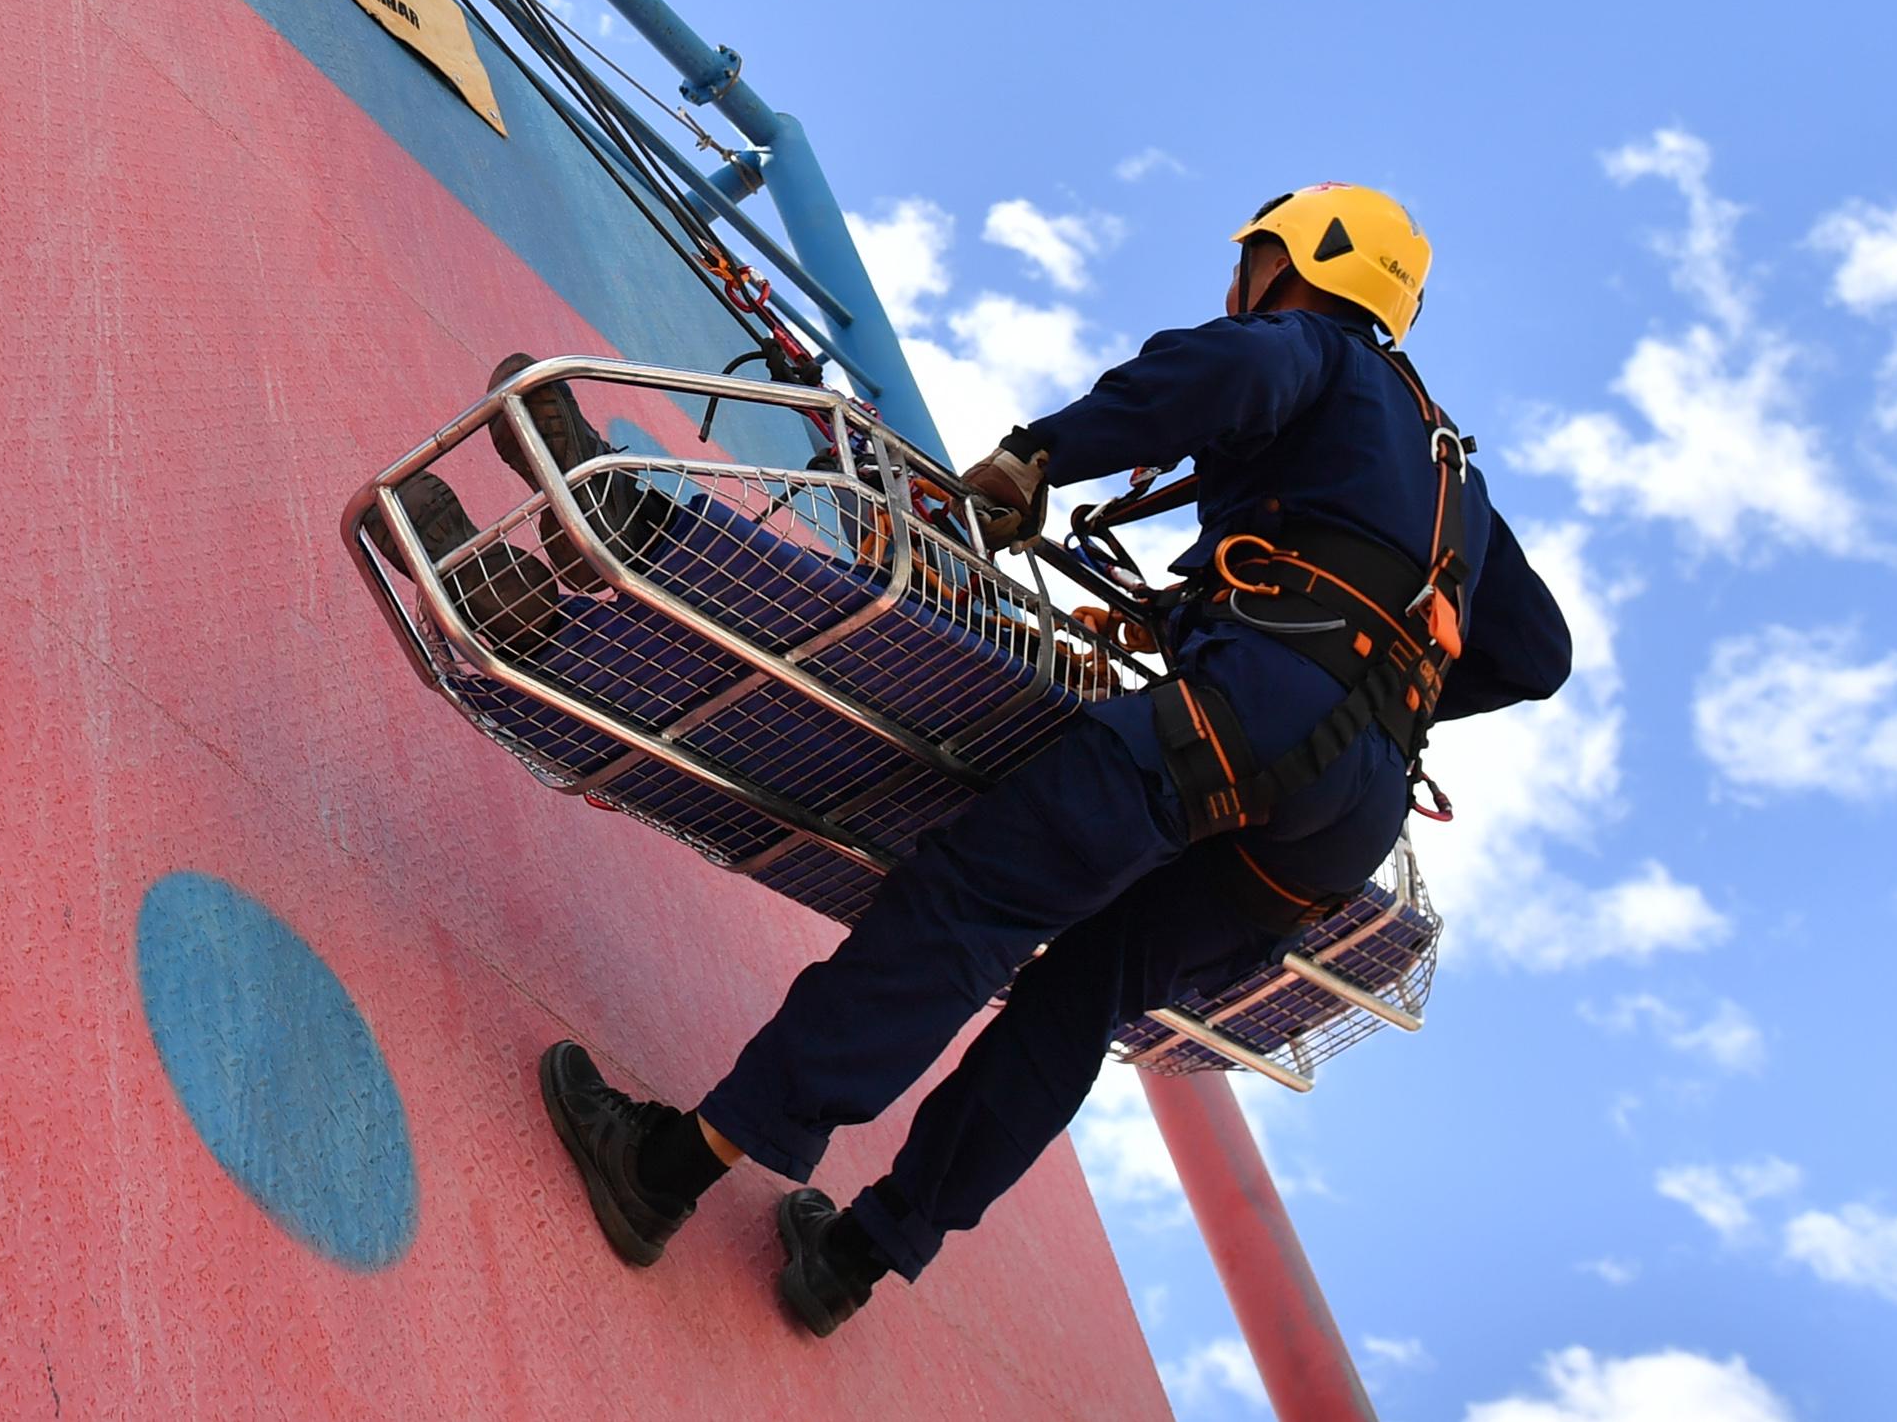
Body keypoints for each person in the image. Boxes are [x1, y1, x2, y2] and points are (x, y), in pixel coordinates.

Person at [539, 184, 1573, 1336]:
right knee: (1080, 1000)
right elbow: (1536, 653)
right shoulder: (1451, 476)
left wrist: (1042, 455)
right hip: (1347, 816)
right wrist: (1348, 667)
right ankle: (852, 1263)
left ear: (1284, 264)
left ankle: (670, 1167)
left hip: (1247, 717)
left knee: (968, 901)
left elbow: (1224, 375)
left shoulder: (1311, 350)